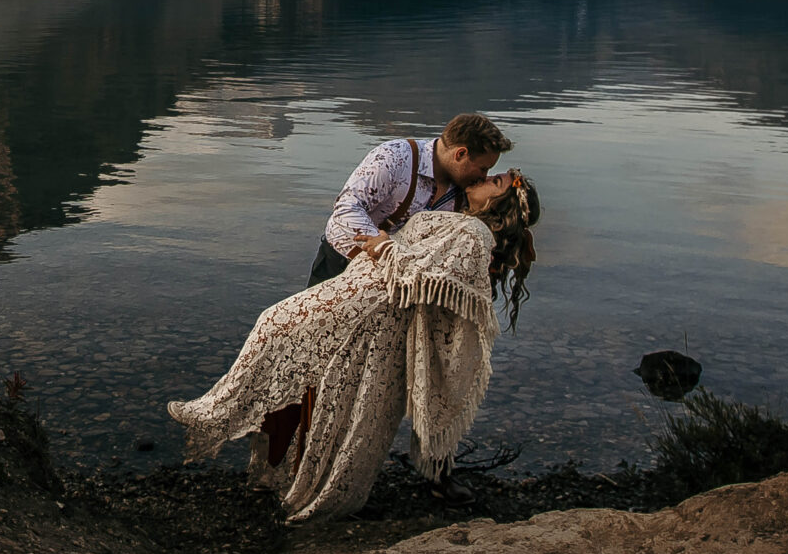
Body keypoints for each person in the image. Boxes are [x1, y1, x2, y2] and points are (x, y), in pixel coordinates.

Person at [167, 168, 541, 525]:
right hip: (360, 300)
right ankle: (242, 434)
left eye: (495, 181)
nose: (484, 178)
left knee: (333, 389)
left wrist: (386, 247)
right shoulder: (461, 218)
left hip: (371, 310)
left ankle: (227, 422)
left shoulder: (475, 233)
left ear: (501, 205)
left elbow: (428, 277)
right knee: (300, 357)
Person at [310, 114, 513, 288]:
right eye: (483, 168)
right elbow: (346, 208)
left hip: (393, 281)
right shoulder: (395, 156)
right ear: (460, 154)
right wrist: (385, 248)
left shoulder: (465, 191)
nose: (484, 176)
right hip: (339, 262)